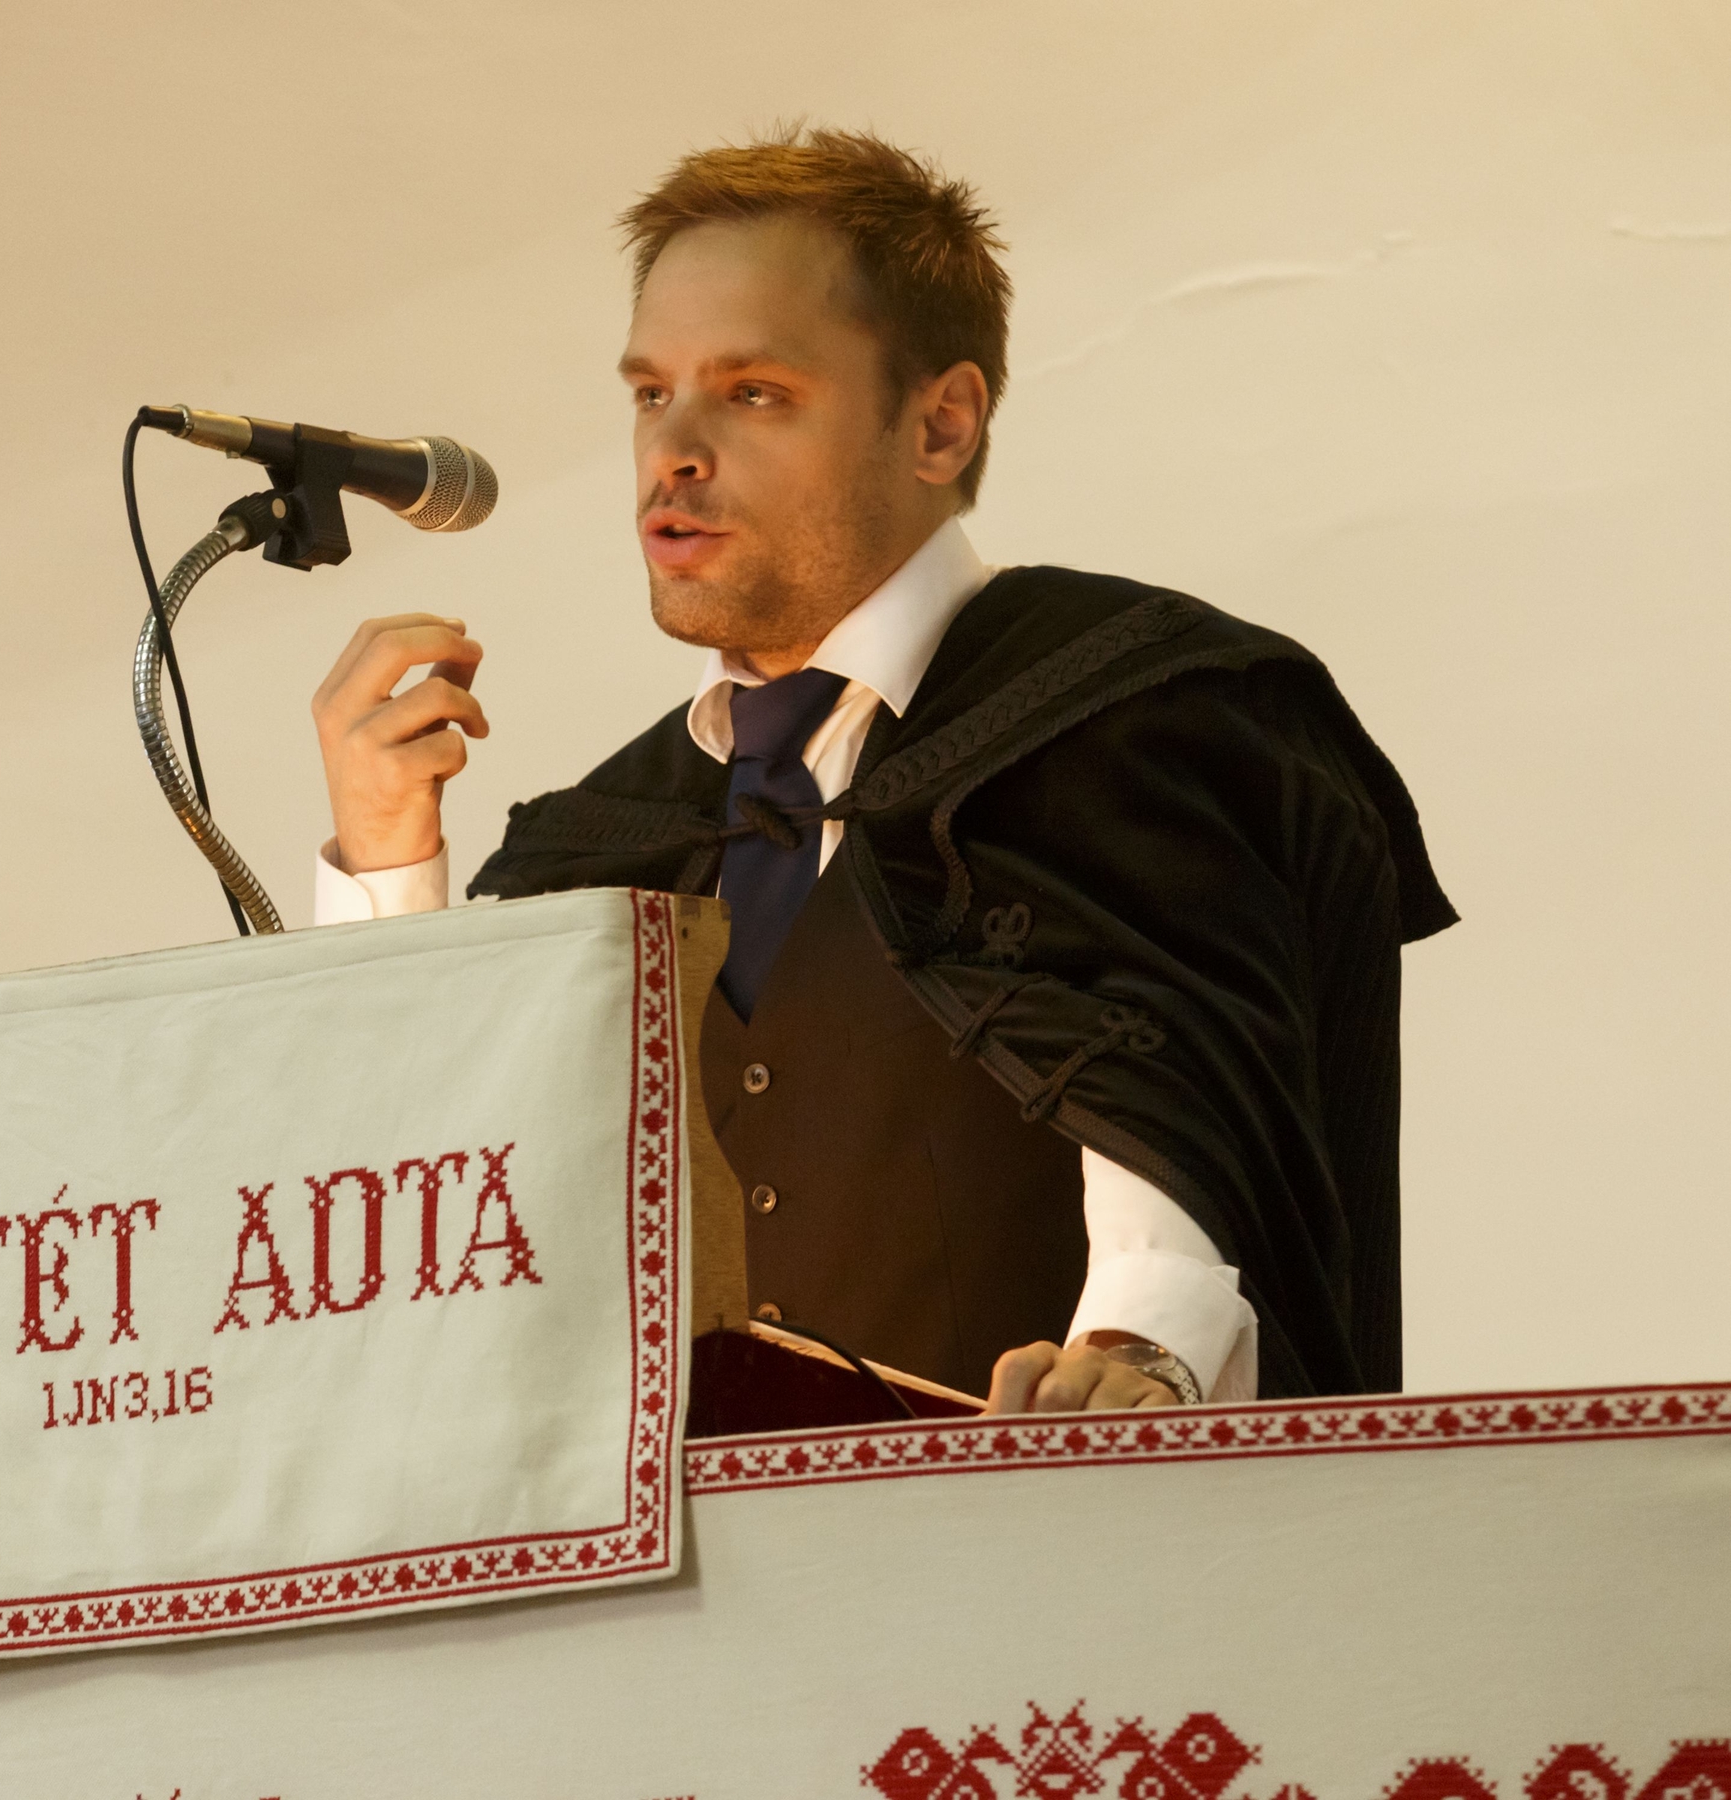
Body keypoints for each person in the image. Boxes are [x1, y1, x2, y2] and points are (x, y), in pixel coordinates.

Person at [305, 127, 1453, 1413]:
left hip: (1039, 1520)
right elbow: (420, 1255)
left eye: (753, 393)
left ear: (940, 424)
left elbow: (1186, 1096)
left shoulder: (1133, 713)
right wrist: (387, 872)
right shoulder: (614, 835)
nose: (674, 450)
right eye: (650, 392)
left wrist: (1141, 1355)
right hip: (683, 1545)